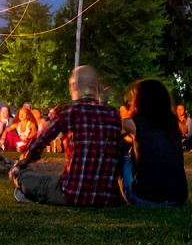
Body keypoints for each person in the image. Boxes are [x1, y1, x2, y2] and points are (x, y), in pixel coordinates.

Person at [9, 66, 127, 206]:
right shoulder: (114, 114)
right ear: (96, 87)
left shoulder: (69, 112)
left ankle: (25, 189)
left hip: (72, 193)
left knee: (25, 176)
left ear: (73, 86)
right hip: (106, 198)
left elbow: (40, 143)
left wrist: (21, 164)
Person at [120, 79, 188, 205]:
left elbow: (110, 134)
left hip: (144, 197)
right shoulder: (172, 124)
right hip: (178, 198)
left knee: (122, 156)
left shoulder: (133, 122)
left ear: (140, 100)